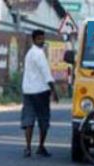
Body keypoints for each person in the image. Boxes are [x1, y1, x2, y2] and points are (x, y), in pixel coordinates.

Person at [21, 29, 59, 158]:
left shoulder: (29, 53)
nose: (42, 41)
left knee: (29, 119)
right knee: (43, 120)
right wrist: (54, 90)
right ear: (34, 39)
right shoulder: (39, 54)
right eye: (39, 39)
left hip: (28, 91)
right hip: (41, 91)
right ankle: (41, 146)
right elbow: (46, 73)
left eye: (42, 39)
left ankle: (27, 147)